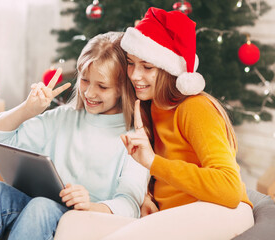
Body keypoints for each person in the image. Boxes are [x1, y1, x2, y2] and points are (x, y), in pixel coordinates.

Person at [54, 7, 255, 240]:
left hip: (223, 211)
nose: (135, 75)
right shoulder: (149, 106)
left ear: (169, 69)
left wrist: (153, 162)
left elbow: (230, 188)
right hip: (177, 214)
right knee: (72, 222)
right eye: (131, 63)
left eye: (147, 67)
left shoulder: (195, 108)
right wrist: (147, 196)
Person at [0, 31, 148, 240]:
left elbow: (130, 205)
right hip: (42, 209)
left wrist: (90, 205)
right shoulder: (63, 117)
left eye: (102, 86)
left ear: (123, 89)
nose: (89, 93)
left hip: (88, 220)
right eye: (85, 81)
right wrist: (27, 110)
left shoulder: (134, 137)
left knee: (41, 206)